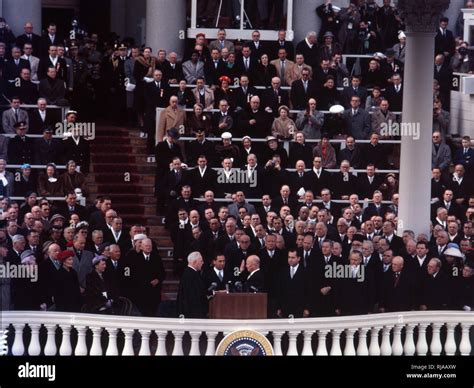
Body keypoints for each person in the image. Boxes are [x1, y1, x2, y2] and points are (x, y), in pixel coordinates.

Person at [276, 250, 310, 318]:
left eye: (293, 257)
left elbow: (308, 291)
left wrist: (307, 308)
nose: (290, 260)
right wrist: (279, 307)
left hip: (300, 308)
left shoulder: (305, 272)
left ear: (298, 258)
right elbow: (279, 290)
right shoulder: (283, 271)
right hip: (285, 309)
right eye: (289, 257)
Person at [177, 251, 207, 318]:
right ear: (194, 262)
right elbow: (191, 297)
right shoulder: (190, 275)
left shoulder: (191, 273)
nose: (203, 263)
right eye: (201, 261)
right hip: (192, 314)